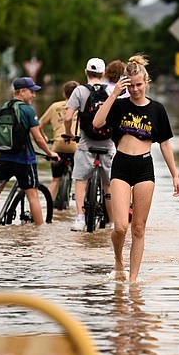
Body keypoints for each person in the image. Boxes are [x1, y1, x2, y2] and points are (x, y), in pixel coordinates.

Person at [93, 54, 179, 283]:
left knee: (139, 228)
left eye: (138, 85)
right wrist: (113, 94)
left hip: (144, 167)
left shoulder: (157, 109)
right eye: (130, 85)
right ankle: (118, 260)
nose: (134, 89)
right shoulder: (119, 105)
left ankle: (133, 280)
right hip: (121, 165)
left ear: (146, 83)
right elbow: (97, 122)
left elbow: (164, 144)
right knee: (121, 226)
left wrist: (175, 176)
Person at [0, 77, 59, 225]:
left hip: (4, 159)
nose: (34, 95)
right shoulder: (28, 110)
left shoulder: (3, 108)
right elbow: (38, 139)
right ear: (22, 92)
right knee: (32, 196)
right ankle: (39, 232)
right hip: (24, 161)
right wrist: (49, 153)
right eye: (32, 92)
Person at [64, 58, 115, 231]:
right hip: (108, 143)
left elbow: (68, 117)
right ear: (103, 74)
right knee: (109, 184)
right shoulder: (111, 90)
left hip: (86, 143)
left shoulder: (79, 91)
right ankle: (113, 222)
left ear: (86, 72)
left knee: (80, 180)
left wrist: (70, 134)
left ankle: (80, 218)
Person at [39, 80, 79, 199]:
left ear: (63, 94)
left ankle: (49, 207)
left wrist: (44, 137)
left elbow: (39, 125)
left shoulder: (54, 106)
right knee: (81, 180)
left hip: (58, 146)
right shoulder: (81, 106)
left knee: (55, 180)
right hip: (75, 147)